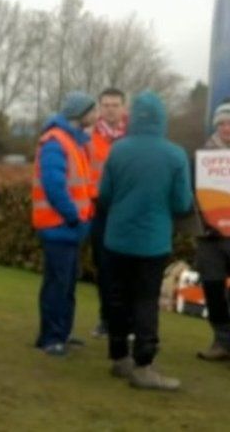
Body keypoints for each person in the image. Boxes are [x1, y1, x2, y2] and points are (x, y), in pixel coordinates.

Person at [99, 91, 192, 390]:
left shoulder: (118, 150)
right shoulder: (175, 154)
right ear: (161, 119)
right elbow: (182, 203)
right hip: (152, 242)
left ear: (133, 116)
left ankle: (118, 357)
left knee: (116, 298)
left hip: (116, 238)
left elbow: (105, 195)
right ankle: (144, 364)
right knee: (145, 301)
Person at [32, 91, 97, 356]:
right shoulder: (57, 143)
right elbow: (55, 186)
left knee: (64, 284)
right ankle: (52, 338)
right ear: (80, 114)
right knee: (59, 285)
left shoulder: (70, 141)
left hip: (66, 226)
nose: (95, 116)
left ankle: (60, 333)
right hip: (59, 225)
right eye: (92, 111)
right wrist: (74, 216)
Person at [88, 88, 128, 338]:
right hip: (98, 210)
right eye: (106, 105)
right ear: (100, 108)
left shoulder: (133, 137)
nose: (110, 109)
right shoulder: (89, 137)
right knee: (104, 268)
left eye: (115, 105)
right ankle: (105, 318)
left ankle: (127, 320)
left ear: (124, 108)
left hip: (126, 209)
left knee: (127, 269)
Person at [194, 101, 230, 361]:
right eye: (222, 123)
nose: (227, 128)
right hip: (209, 237)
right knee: (213, 288)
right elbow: (191, 193)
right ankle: (221, 341)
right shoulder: (201, 156)